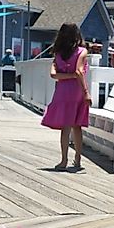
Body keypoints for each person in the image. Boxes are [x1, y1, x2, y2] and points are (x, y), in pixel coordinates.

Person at [40, 23, 91, 171]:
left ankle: (63, 160)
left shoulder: (58, 53)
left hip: (62, 91)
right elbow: (79, 71)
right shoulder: (82, 51)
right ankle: (78, 159)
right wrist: (86, 92)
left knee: (66, 127)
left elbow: (53, 74)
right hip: (77, 91)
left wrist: (66, 76)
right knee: (77, 126)